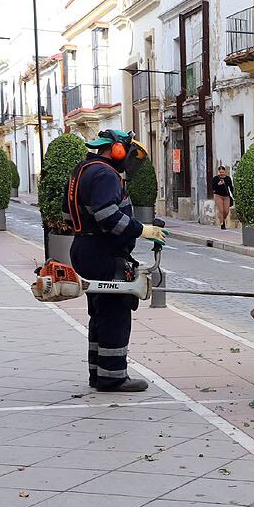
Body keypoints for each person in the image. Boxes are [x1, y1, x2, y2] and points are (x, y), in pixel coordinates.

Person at [66, 129, 162, 393]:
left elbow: (67, 214)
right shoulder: (106, 174)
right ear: (117, 149)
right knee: (115, 312)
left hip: (84, 247)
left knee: (98, 312)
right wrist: (141, 230)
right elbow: (108, 216)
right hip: (103, 251)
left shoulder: (82, 170)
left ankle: (98, 372)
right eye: (128, 152)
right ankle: (113, 377)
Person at [211, 163, 234, 229]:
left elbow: (231, 187)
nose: (221, 173)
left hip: (226, 196)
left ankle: (222, 219)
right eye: (220, 172)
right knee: (221, 210)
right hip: (218, 195)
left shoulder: (228, 178)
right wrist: (218, 184)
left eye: (222, 172)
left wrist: (233, 194)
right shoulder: (215, 178)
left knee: (226, 211)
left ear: (225, 172)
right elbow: (213, 187)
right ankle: (222, 224)